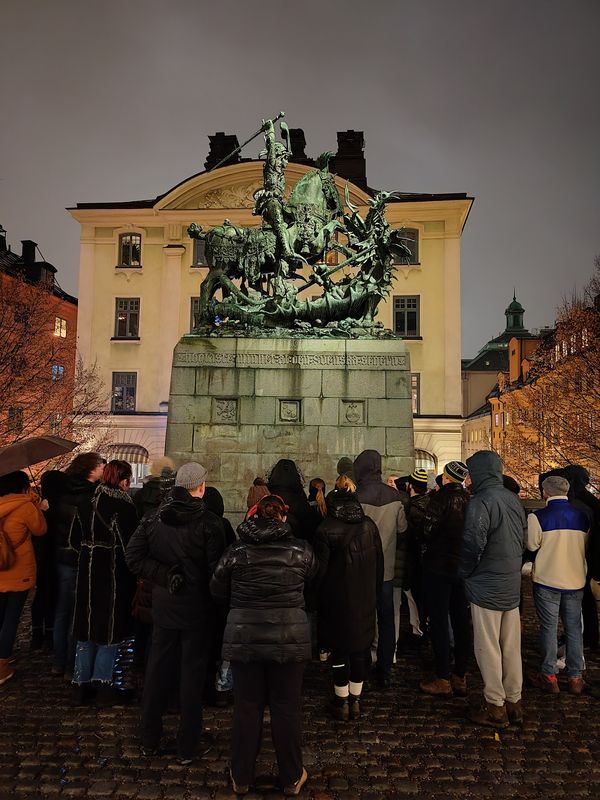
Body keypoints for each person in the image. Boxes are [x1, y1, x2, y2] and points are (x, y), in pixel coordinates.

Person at [210, 494, 315, 796]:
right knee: (286, 709)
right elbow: (314, 582)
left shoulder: (236, 551)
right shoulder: (301, 551)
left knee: (247, 708)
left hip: (245, 636)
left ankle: (241, 775)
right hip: (289, 639)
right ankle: (292, 776)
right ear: (283, 517)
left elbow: (217, 588)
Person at [126, 462, 225, 764]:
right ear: (201, 487)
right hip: (196, 610)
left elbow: (133, 557)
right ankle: (187, 743)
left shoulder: (154, 518)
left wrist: (164, 575)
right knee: (192, 675)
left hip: (165, 606)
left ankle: (149, 738)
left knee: (157, 669)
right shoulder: (210, 523)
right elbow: (216, 573)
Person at [459, 450, 527, 727]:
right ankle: (515, 700)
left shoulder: (481, 502)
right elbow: (523, 539)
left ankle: (495, 705)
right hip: (510, 581)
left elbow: (473, 544)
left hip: (486, 583)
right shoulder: (512, 498)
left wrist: (465, 573)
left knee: (487, 647)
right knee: (511, 645)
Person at [313, 476, 383, 720]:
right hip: (364, 596)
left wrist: (316, 598)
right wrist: (374, 592)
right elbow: (379, 564)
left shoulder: (325, 529)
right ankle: (355, 699)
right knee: (360, 650)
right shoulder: (369, 526)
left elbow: (319, 571)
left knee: (340, 652)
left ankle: (341, 700)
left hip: (336, 599)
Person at [71, 460, 139, 705]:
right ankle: (103, 685)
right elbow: (129, 545)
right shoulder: (123, 505)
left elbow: (73, 539)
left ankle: (80, 684)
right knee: (110, 628)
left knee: (86, 627)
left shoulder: (85, 502)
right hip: (112, 572)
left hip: (86, 570)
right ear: (123, 480)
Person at [527, 475, 590, 695]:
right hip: (575, 579)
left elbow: (532, 544)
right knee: (574, 629)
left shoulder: (538, 517)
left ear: (545, 492)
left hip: (547, 580)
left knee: (549, 627)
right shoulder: (582, 517)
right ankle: (575, 677)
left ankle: (549, 674)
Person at [353, 450, 407, 688]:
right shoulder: (395, 496)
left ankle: (362, 664)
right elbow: (403, 529)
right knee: (386, 620)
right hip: (386, 569)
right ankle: (385, 667)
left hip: (362, 570)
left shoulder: (357, 497)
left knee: (362, 619)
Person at [50, 452, 106, 679]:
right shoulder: (92, 495)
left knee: (62, 611)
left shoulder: (63, 492)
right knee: (78, 613)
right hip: (81, 557)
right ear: (91, 469)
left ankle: (58, 662)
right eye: (101, 464)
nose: (104, 467)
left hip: (62, 556)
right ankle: (73, 663)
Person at [419, 461, 471, 697]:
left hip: (438, 566)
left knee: (439, 621)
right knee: (461, 621)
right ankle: (461, 674)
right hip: (462, 567)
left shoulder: (440, 499)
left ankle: (443, 676)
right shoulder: (470, 499)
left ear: (446, 478)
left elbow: (427, 531)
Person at [0, 471, 48, 685]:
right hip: (19, 572)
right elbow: (40, 530)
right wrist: (37, 505)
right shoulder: (26, 505)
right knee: (11, 619)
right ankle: (1, 665)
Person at [268, 459, 318, 542]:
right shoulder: (300, 498)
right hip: (295, 549)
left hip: (266, 548)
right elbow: (310, 529)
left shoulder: (266, 496)